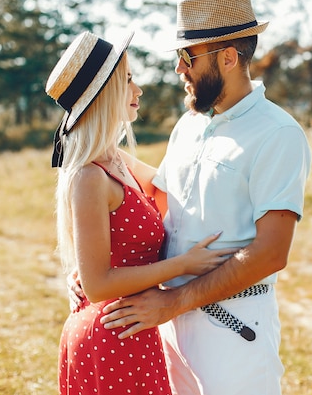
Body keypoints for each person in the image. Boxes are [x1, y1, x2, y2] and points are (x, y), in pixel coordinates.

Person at [71, 0, 311, 395]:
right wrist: (92, 266)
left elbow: (271, 253)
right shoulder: (189, 124)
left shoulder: (278, 134)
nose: (178, 68)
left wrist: (173, 301)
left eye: (189, 57)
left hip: (233, 327)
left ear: (228, 58)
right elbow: (154, 198)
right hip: (165, 323)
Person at [46, 30, 237, 395]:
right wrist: (184, 265)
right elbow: (98, 285)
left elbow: (177, 186)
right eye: (129, 80)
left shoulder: (117, 160)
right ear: (104, 95)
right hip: (111, 337)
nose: (138, 90)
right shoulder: (89, 175)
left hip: (132, 329)